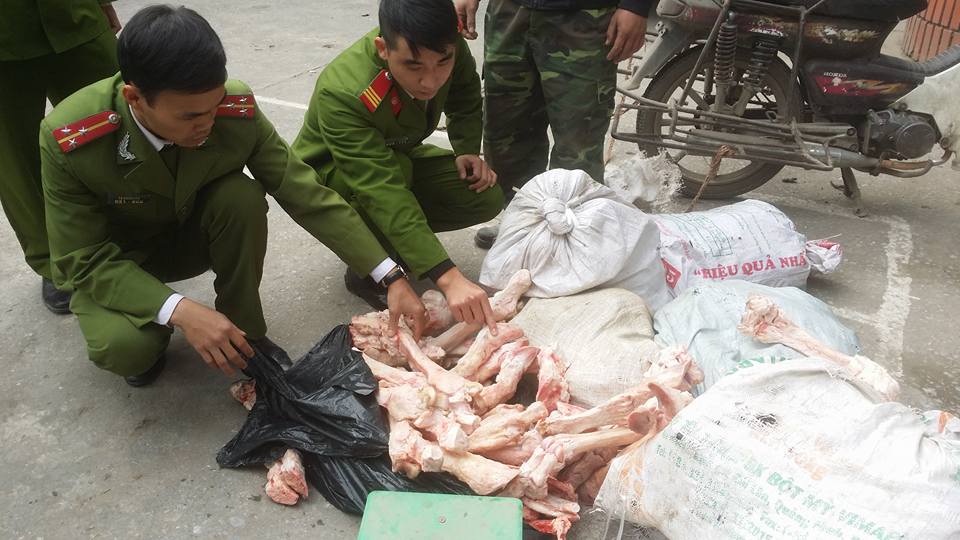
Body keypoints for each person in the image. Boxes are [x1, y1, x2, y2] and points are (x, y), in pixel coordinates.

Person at [40, 5, 426, 387]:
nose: (206, 124)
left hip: (188, 236)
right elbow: (82, 259)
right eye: (189, 116)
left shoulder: (233, 107)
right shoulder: (72, 138)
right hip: (120, 259)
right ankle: (155, 324)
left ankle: (245, 332)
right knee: (126, 348)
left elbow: (304, 192)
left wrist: (388, 274)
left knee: (239, 196)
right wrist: (181, 310)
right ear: (134, 98)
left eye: (213, 106)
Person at [292, 0, 503, 331]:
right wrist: (447, 277)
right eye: (414, 67)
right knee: (396, 179)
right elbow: (381, 188)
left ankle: (402, 243)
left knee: (482, 193)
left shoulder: (446, 46)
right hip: (329, 177)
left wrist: (466, 149)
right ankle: (371, 271)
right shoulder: (345, 92)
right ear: (382, 49)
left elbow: (464, 94)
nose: (430, 82)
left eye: (441, 64)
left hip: (393, 157)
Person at [453, 0, 654, 248]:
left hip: (584, 16)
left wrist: (636, 6)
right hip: (510, 11)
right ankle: (521, 223)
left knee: (578, 142)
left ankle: (575, 235)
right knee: (506, 132)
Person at [1, 0, 123, 313]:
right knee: (14, 159)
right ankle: (56, 262)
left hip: (72, 12)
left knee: (123, 114)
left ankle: (142, 228)